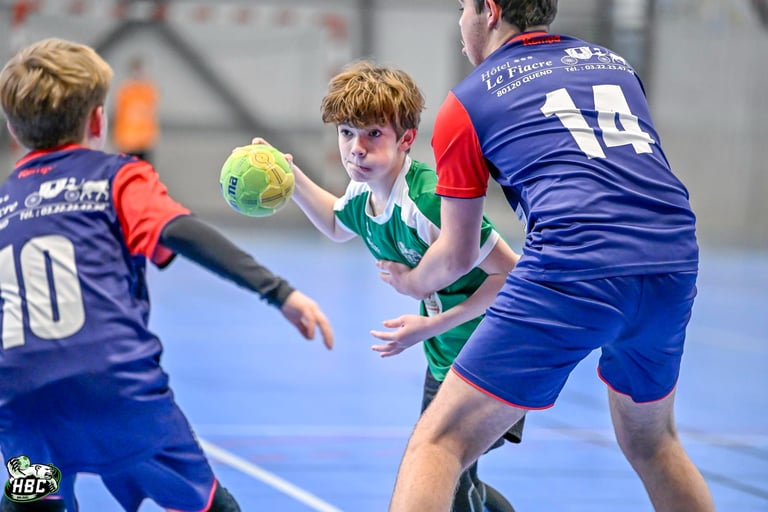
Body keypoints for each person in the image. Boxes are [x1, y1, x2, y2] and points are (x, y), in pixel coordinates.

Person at [384, 1, 716, 511]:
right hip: (672, 259)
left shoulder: (468, 101)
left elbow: (457, 254)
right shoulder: (614, 65)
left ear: (489, 11)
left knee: (438, 443)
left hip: (575, 261)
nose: (460, 21)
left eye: (463, 7)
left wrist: (411, 282)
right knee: (654, 442)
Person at [0, 38, 333, 512]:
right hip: (117, 393)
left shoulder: (5, 202)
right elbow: (182, 232)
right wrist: (278, 291)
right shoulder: (117, 177)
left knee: (35, 498)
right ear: (98, 120)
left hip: (22, 401)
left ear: (12, 129)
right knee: (209, 506)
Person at [253, 60, 522, 512]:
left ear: (406, 139)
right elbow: (338, 223)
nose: (356, 149)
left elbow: (510, 275)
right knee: (453, 475)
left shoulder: (428, 201)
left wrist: (430, 325)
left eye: (373, 134)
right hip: (447, 355)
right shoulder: (365, 194)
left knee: (442, 472)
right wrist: (292, 178)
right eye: (346, 133)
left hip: (496, 351)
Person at [111, 56, 159, 163]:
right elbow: (119, 114)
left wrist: (152, 136)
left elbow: (152, 115)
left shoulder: (149, 89)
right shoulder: (125, 90)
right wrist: (117, 137)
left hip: (144, 140)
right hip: (127, 139)